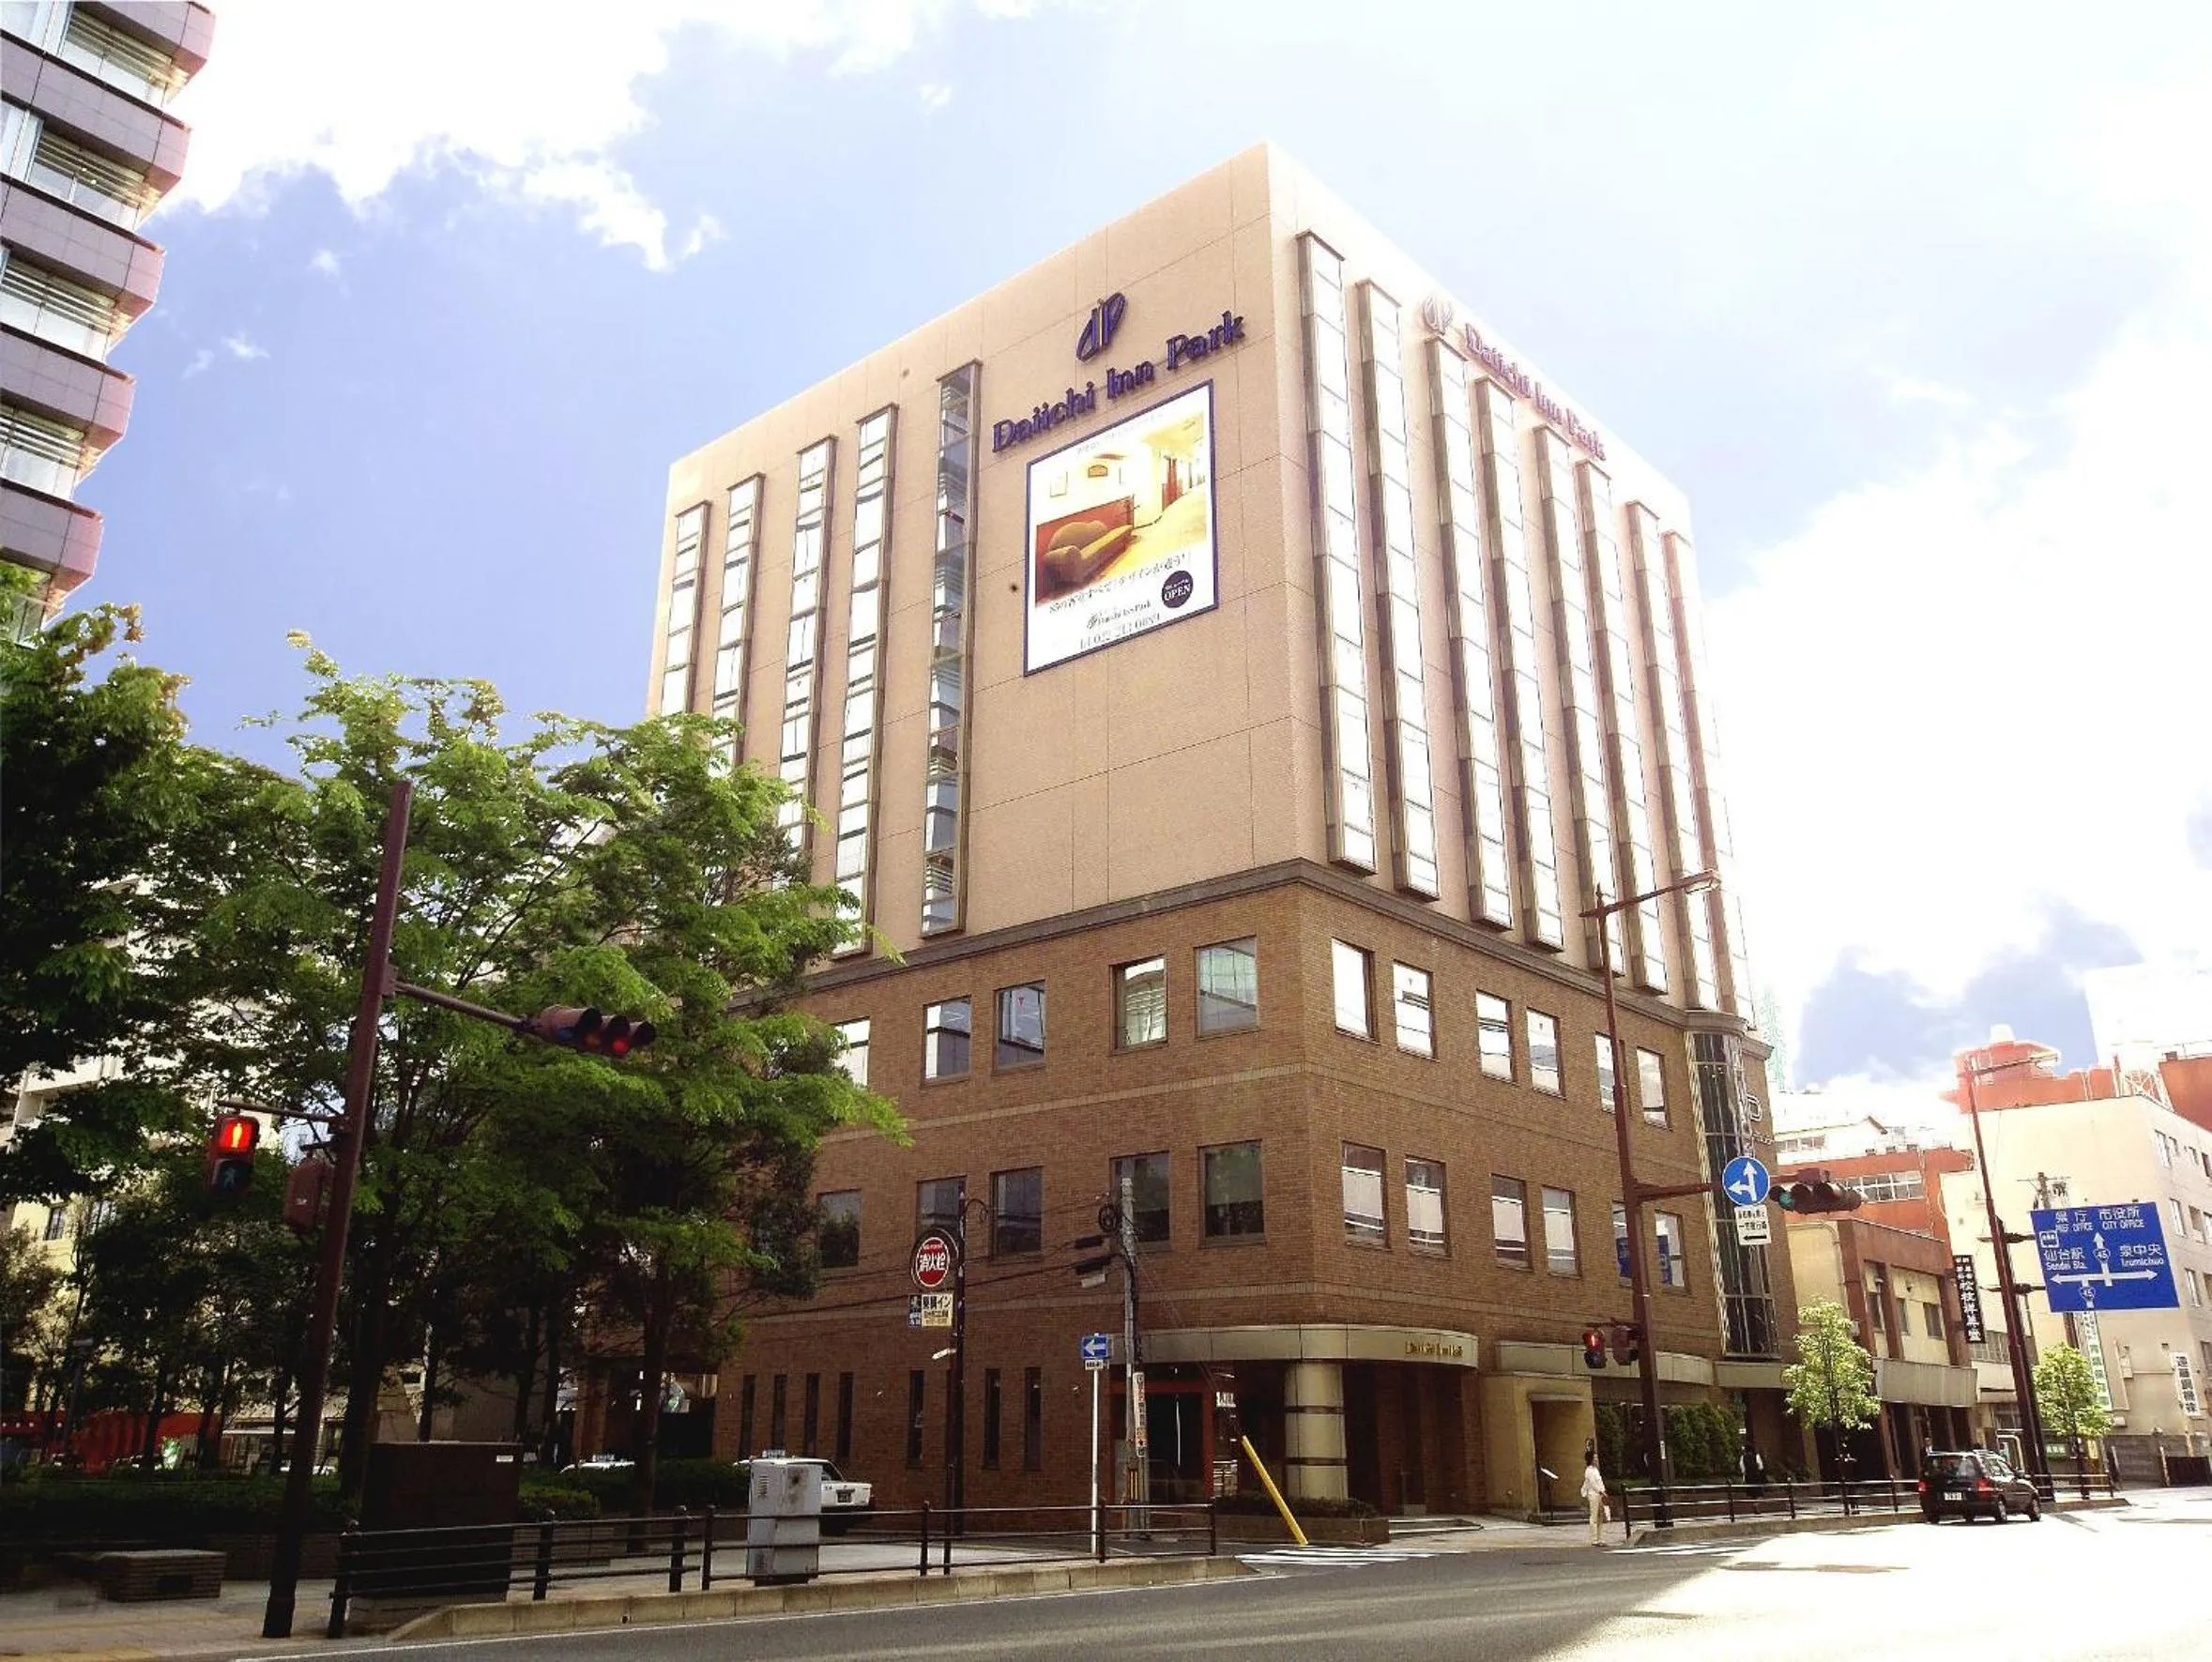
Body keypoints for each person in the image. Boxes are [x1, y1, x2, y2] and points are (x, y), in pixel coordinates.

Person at [1581, 1455, 1609, 1547]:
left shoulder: (1595, 1470)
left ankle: (1600, 1537)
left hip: (1599, 1494)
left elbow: (1600, 1482)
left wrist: (1603, 1490)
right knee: (1594, 1516)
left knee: (1600, 1516)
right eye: (1595, 1458)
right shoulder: (1588, 1471)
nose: (1596, 1459)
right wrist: (1601, 1491)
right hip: (1593, 1495)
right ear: (1591, 1460)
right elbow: (1593, 1484)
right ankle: (1594, 1539)